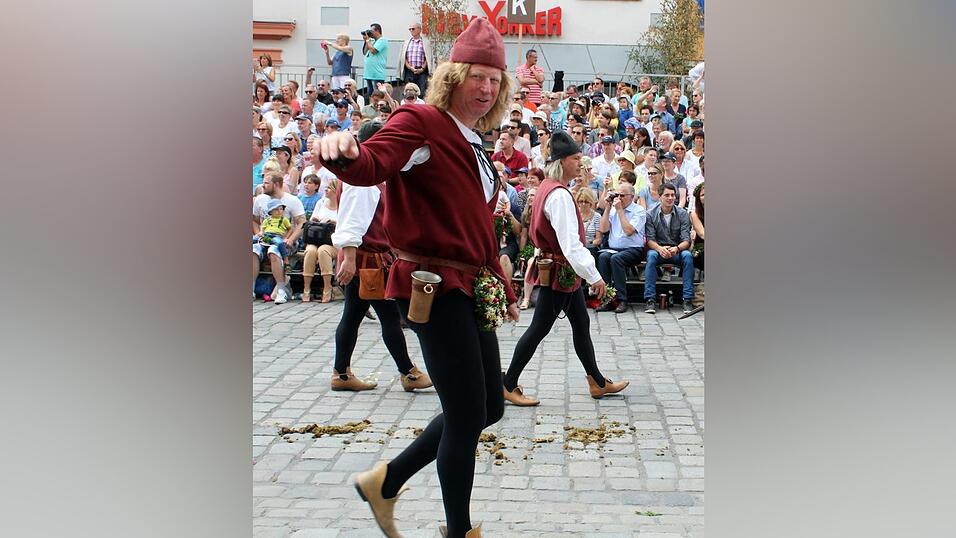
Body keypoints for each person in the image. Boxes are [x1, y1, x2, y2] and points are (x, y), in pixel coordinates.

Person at [318, 18, 517, 538]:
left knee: (489, 406)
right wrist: (345, 149)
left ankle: (386, 481)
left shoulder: (473, 140)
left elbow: (474, 224)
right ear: (452, 75)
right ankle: (458, 531)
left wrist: (503, 281)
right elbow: (374, 161)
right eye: (477, 76)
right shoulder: (422, 120)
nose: (486, 88)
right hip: (432, 284)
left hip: (471, 285)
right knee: (467, 413)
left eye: (495, 80)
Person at [502, 130, 629, 407]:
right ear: (561, 162)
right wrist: (595, 277)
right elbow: (570, 245)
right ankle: (508, 383)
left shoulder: (550, 187)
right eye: (575, 158)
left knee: (580, 323)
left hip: (561, 270)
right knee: (538, 328)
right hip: (560, 270)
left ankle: (596, 380)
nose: (580, 163)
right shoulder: (558, 195)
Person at [330, 120, 434, 392]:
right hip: (367, 261)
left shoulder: (367, 174)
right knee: (390, 318)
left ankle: (341, 373)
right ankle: (408, 372)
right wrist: (349, 259)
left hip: (367, 259)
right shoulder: (363, 179)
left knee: (352, 315)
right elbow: (352, 221)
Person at [252, 173, 306, 304]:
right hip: (265, 238)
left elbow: (302, 223)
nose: (262, 185)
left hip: (285, 240)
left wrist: (291, 239)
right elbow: (254, 220)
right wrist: (259, 232)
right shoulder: (260, 199)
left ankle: (281, 290)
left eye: (266, 183)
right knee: (253, 250)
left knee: (274, 251)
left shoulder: (292, 200)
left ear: (276, 185)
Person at [643, 182, 695, 314]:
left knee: (688, 256)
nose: (670, 198)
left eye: (673, 195)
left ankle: (687, 299)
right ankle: (650, 299)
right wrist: (660, 249)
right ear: (659, 197)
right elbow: (650, 239)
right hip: (658, 249)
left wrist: (676, 248)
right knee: (651, 256)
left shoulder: (682, 213)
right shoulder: (650, 214)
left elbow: (686, 240)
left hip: (677, 249)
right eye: (667, 195)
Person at [595, 182, 646, 313]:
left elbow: (629, 231)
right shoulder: (613, 209)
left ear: (631, 196)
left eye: (622, 195)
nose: (619, 198)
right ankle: (607, 298)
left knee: (616, 259)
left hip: (634, 249)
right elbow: (603, 229)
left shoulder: (638, 211)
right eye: (616, 195)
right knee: (603, 257)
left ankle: (622, 299)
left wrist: (620, 211)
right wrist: (607, 208)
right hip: (614, 249)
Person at [302, 179, 339, 303]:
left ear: (336, 191)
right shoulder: (321, 202)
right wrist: (317, 220)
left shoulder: (342, 205)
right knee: (310, 251)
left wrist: (335, 223)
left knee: (323, 251)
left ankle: (327, 287)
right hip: (317, 238)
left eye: (329, 188)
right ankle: (306, 288)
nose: (326, 190)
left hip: (333, 241)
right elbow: (313, 219)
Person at [397, 22, 432, 96]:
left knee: (421, 93)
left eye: (413, 29)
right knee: (409, 93)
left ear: (419, 30)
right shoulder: (407, 42)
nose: (411, 31)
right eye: (410, 29)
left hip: (422, 72)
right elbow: (404, 58)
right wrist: (410, 67)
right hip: (409, 71)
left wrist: (422, 68)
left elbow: (428, 58)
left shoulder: (425, 42)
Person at [362, 23, 389, 95]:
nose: (370, 33)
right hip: (369, 73)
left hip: (377, 73)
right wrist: (366, 41)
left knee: (378, 94)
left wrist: (368, 41)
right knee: (370, 94)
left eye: (371, 31)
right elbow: (365, 52)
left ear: (377, 31)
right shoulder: (373, 42)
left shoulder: (382, 40)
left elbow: (373, 51)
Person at [690, 182, 705, 273]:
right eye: (703, 195)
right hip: (701, 246)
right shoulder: (694, 214)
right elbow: (703, 235)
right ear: (698, 198)